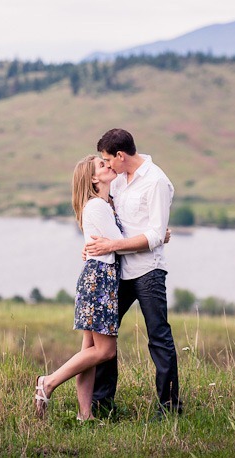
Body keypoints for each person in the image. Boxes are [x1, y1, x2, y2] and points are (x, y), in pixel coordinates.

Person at [35, 154, 155, 420]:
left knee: (89, 349)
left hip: (100, 277)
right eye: (102, 165)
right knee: (105, 351)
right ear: (92, 178)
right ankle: (49, 382)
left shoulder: (104, 204)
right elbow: (119, 243)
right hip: (99, 280)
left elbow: (110, 242)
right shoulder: (97, 207)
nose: (108, 165)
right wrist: (155, 237)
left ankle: (85, 414)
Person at [85, 128, 182, 418]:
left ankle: (169, 409)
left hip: (148, 272)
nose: (106, 165)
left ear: (120, 155)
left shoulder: (157, 182)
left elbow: (154, 234)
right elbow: (108, 218)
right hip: (118, 272)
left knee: (159, 337)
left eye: (107, 160)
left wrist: (113, 244)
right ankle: (102, 404)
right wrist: (92, 246)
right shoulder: (116, 183)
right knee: (104, 332)